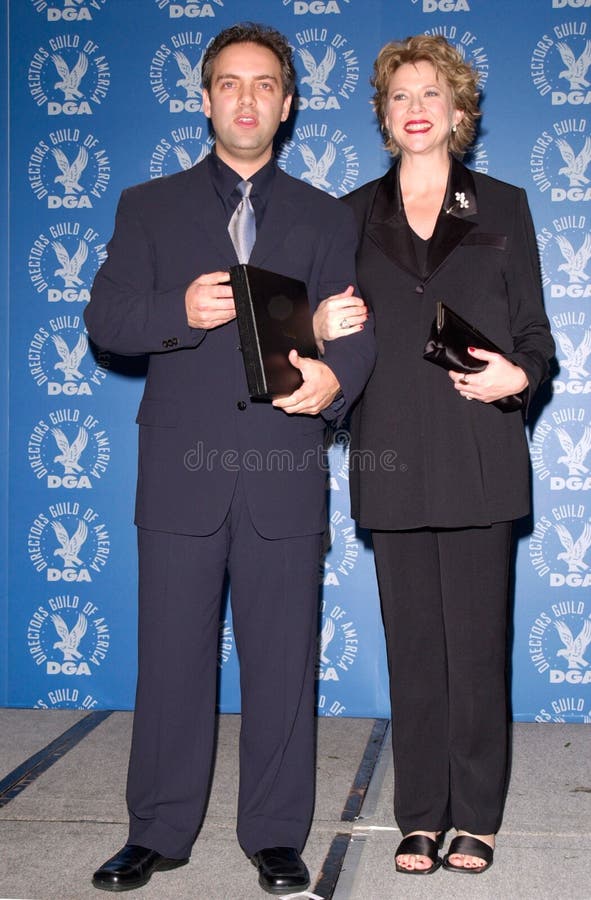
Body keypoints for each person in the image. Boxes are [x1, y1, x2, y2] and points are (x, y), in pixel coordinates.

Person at [85, 22, 375, 895]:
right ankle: (159, 831)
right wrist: (178, 307)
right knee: (169, 655)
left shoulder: (329, 215)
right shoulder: (148, 206)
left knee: (282, 658)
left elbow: (354, 330)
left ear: (287, 105)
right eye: (229, 84)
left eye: (264, 86)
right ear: (204, 97)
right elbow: (107, 321)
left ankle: (277, 836)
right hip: (179, 473)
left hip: (284, 469)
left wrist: (333, 384)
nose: (246, 99)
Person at [314, 34, 554, 875]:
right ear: (382, 115)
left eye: (430, 95)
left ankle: (476, 816)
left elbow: (535, 337)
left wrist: (516, 376)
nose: (414, 108)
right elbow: (323, 338)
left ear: (457, 112)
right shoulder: (345, 216)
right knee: (411, 644)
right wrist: (320, 330)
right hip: (387, 454)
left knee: (477, 647)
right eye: (398, 96)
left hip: (479, 454)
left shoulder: (503, 206)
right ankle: (419, 814)